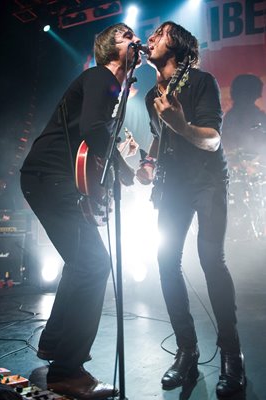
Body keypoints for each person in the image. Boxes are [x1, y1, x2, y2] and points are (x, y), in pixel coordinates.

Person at [20, 23, 141, 400]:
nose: (135, 40)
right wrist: (124, 169)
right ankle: (68, 372)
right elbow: (92, 129)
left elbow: (87, 145)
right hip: (48, 178)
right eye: (126, 36)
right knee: (94, 263)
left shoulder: (110, 88)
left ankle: (54, 344)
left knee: (81, 263)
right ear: (109, 48)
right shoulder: (100, 76)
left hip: (49, 179)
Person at [136, 21, 245, 397]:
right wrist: (147, 164)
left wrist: (182, 125)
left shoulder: (201, 82)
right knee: (166, 262)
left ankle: (232, 354)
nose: (149, 38)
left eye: (159, 33)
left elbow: (212, 140)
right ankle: (187, 350)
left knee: (211, 260)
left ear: (178, 45)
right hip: (175, 186)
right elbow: (159, 136)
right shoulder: (152, 93)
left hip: (208, 182)